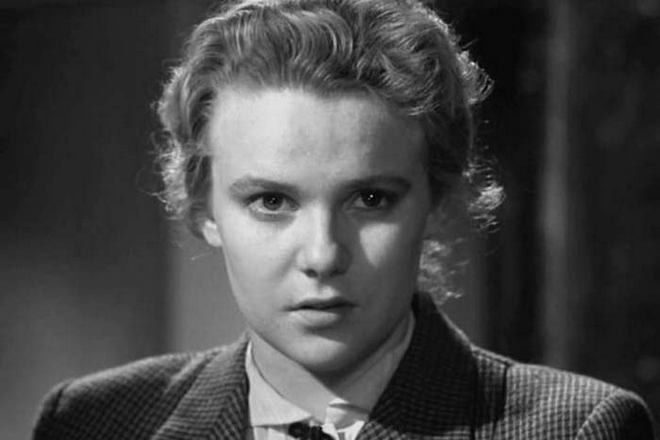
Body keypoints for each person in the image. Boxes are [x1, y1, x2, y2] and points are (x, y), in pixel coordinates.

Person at [33, 0, 656, 439]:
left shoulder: (576, 428)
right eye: (271, 202)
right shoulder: (93, 422)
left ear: (438, 203)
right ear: (204, 210)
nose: (323, 255)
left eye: (371, 200)